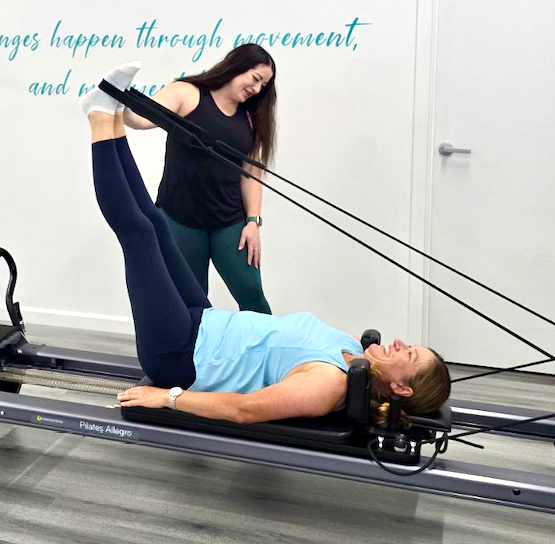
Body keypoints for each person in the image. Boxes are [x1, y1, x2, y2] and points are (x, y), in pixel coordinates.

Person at [80, 63, 451, 426]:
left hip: (180, 354)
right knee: (158, 225)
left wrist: (167, 397)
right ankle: (110, 114)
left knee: (139, 235)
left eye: (410, 354)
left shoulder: (329, 384)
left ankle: (98, 116)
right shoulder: (353, 350)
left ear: (401, 387)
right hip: (204, 322)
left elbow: (245, 409)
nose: (401, 342)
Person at [123, 45, 276, 314]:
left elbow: (252, 173)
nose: (257, 88)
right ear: (237, 66)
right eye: (255, 78)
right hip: (180, 219)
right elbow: (140, 120)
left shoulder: (251, 118)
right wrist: (117, 97)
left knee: (251, 294)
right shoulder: (187, 93)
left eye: (263, 84)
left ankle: (268, 354)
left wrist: (253, 221)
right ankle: (193, 356)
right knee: (191, 300)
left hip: (230, 223)